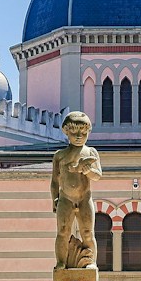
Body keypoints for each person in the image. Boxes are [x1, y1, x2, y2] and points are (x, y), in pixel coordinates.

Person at [51, 110, 103, 269]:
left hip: (84, 199)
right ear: (66, 132)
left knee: (87, 232)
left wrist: (86, 170)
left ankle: (91, 262)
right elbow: (54, 180)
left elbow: (97, 175)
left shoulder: (91, 152)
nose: (79, 136)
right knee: (63, 231)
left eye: (83, 132)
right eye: (74, 132)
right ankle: (61, 262)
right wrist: (54, 198)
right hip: (65, 199)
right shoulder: (60, 155)